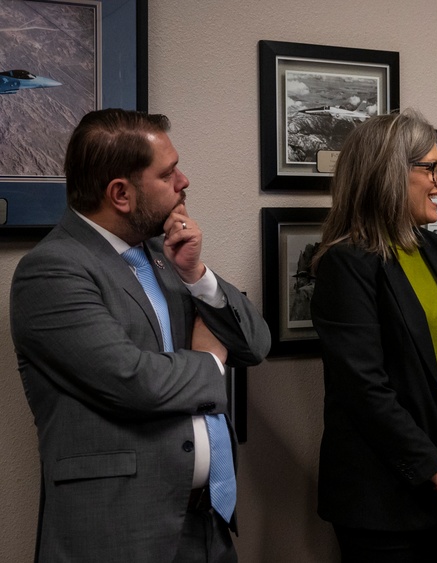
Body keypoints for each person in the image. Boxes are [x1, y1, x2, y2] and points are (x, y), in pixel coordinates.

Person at [10, 108, 271, 562]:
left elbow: (254, 343)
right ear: (121, 194)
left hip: (207, 524)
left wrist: (197, 276)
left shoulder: (165, 251)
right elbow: (133, 380)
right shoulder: (51, 271)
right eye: (168, 173)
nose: (184, 181)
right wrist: (211, 361)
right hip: (120, 532)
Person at [310, 109, 437, 562]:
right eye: (431, 168)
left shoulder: (432, 247)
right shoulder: (345, 263)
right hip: (382, 502)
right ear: (390, 174)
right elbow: (364, 389)